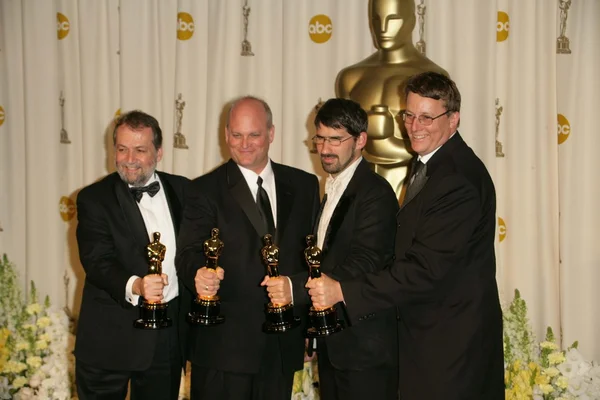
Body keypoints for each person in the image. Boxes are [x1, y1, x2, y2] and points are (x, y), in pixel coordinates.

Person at [307, 72, 504, 400]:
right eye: (409, 115)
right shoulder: (432, 164)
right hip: (428, 340)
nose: (414, 125)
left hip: (449, 345)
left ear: (453, 119)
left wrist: (343, 290)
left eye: (427, 117)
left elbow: (423, 270)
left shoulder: (457, 179)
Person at [175, 96, 320, 400]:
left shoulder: (305, 185)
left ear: (271, 134)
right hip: (222, 347)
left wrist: (309, 327)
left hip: (281, 343)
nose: (244, 144)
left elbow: (311, 258)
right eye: (236, 135)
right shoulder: (203, 189)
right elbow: (188, 253)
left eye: (253, 134)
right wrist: (198, 275)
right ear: (226, 134)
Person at [265, 98, 400, 400]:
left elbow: (363, 262)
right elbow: (324, 260)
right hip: (334, 344)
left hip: (365, 351)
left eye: (336, 139)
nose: (325, 149)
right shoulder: (331, 189)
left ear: (361, 140)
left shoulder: (375, 193)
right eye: (320, 138)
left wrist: (293, 287)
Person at [75, 110, 191, 400]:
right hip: (108, 338)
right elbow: (97, 261)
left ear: (159, 152)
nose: (129, 159)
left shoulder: (185, 190)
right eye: (122, 149)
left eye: (140, 150)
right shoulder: (93, 198)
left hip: (165, 340)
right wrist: (136, 285)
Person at [336, 0, 448, 197]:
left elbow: (439, 146)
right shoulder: (351, 78)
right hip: (361, 190)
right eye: (376, 20)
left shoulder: (433, 77)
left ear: (412, 20)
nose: (383, 29)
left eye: (393, 18)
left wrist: (387, 135)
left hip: (415, 187)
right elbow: (343, 145)